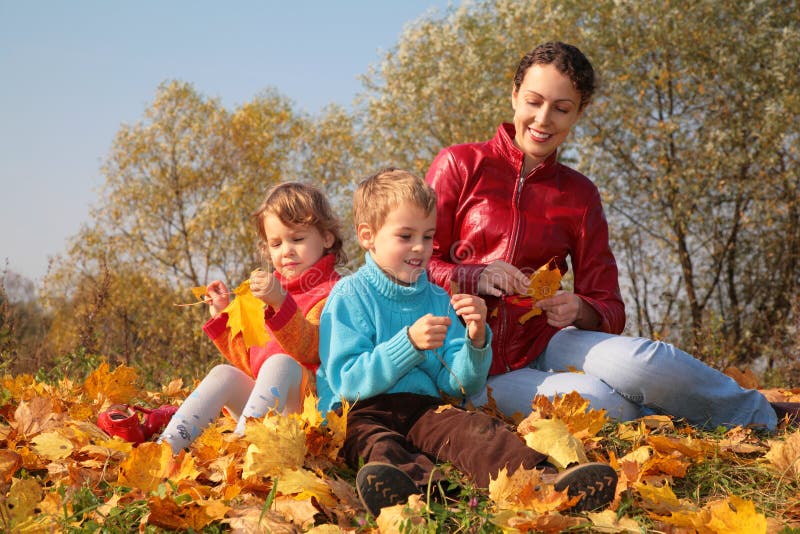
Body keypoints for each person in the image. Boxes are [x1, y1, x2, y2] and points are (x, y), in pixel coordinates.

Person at [426, 41, 786, 429]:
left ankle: (766, 417)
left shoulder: (580, 195)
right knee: (599, 402)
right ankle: (669, 420)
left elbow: (610, 307)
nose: (543, 119)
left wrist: (579, 309)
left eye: (562, 108)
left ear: (579, 113)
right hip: (474, 360)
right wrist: (474, 274)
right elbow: (411, 265)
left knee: (648, 362)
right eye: (533, 101)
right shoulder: (460, 164)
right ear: (514, 96)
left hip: (549, 340)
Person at [316, 168, 617, 517]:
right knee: (375, 443)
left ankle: (544, 483)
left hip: (422, 406)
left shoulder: (438, 298)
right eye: (405, 235)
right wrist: (408, 345)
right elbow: (346, 381)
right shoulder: (350, 294)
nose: (419, 248)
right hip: (360, 409)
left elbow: (456, 386)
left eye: (428, 237)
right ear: (368, 236)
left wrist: (475, 341)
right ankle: (414, 496)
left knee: (476, 430)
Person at [159, 182, 346, 453]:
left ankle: (242, 455)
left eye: (297, 239)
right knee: (224, 374)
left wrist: (281, 304)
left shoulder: (334, 292)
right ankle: (165, 449)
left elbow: (312, 349)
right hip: (264, 414)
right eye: (276, 243)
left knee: (280, 363)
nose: (286, 251)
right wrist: (224, 315)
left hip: (311, 413)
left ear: (327, 238)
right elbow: (251, 365)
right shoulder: (266, 295)